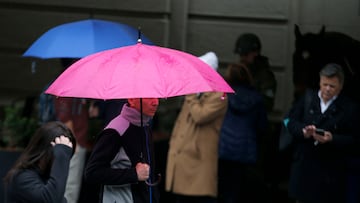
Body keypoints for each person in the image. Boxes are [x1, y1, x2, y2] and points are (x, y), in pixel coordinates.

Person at [286, 63, 360, 203]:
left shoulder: (350, 108)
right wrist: (303, 131)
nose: (327, 89)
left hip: (330, 174)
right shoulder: (307, 98)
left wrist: (333, 138)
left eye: (332, 86)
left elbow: (355, 140)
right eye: (324, 84)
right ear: (320, 81)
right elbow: (289, 121)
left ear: (341, 86)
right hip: (304, 170)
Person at [165, 52, 227, 203]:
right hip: (182, 159)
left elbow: (200, 116)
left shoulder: (219, 94)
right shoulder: (197, 92)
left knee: (197, 197)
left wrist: (191, 95)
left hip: (197, 161)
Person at [85, 97, 160, 203]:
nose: (156, 102)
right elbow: (92, 173)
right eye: (149, 97)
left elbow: (149, 175)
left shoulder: (145, 125)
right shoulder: (115, 131)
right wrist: (133, 174)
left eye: (157, 96)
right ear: (132, 100)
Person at [217, 63, 268, 203]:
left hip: (223, 147)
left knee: (220, 188)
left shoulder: (223, 95)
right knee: (237, 189)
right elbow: (262, 126)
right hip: (245, 149)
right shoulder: (257, 98)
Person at [4, 121, 76, 203]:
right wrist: (61, 157)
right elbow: (51, 200)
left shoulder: (49, 180)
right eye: (58, 155)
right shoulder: (21, 178)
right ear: (44, 151)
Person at [54, 58, 94, 203]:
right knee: (70, 183)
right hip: (72, 142)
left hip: (76, 140)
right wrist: (74, 143)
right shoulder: (66, 85)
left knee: (71, 182)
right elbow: (65, 118)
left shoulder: (75, 85)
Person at [234, 33, 276, 112]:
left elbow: (267, 104)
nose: (242, 58)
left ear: (255, 53)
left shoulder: (265, 76)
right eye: (241, 55)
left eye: (245, 54)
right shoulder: (239, 71)